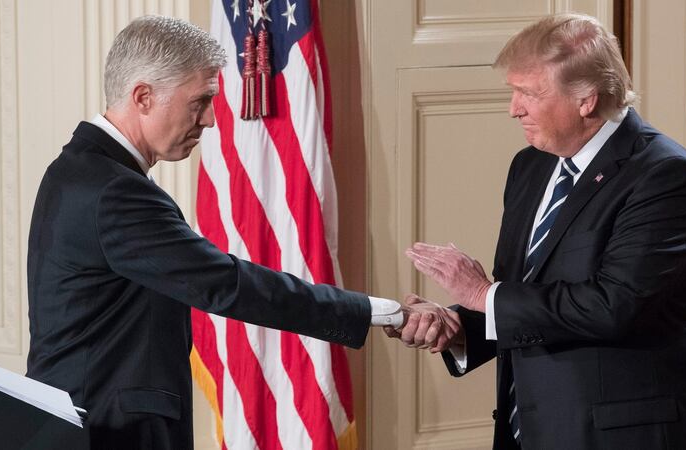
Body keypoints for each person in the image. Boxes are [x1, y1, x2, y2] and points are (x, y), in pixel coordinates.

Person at [25, 15, 424, 449]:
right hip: (106, 432)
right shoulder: (116, 192)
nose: (212, 120)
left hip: (77, 421)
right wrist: (376, 311)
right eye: (200, 101)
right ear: (142, 96)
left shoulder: (77, 169)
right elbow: (228, 284)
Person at [387, 13, 686, 450]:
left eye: (529, 93)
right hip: (532, 429)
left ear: (586, 99)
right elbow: (529, 295)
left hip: (629, 437)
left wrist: (484, 296)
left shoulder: (663, 174)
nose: (514, 108)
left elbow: (614, 306)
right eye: (514, 91)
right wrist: (459, 325)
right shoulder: (530, 166)